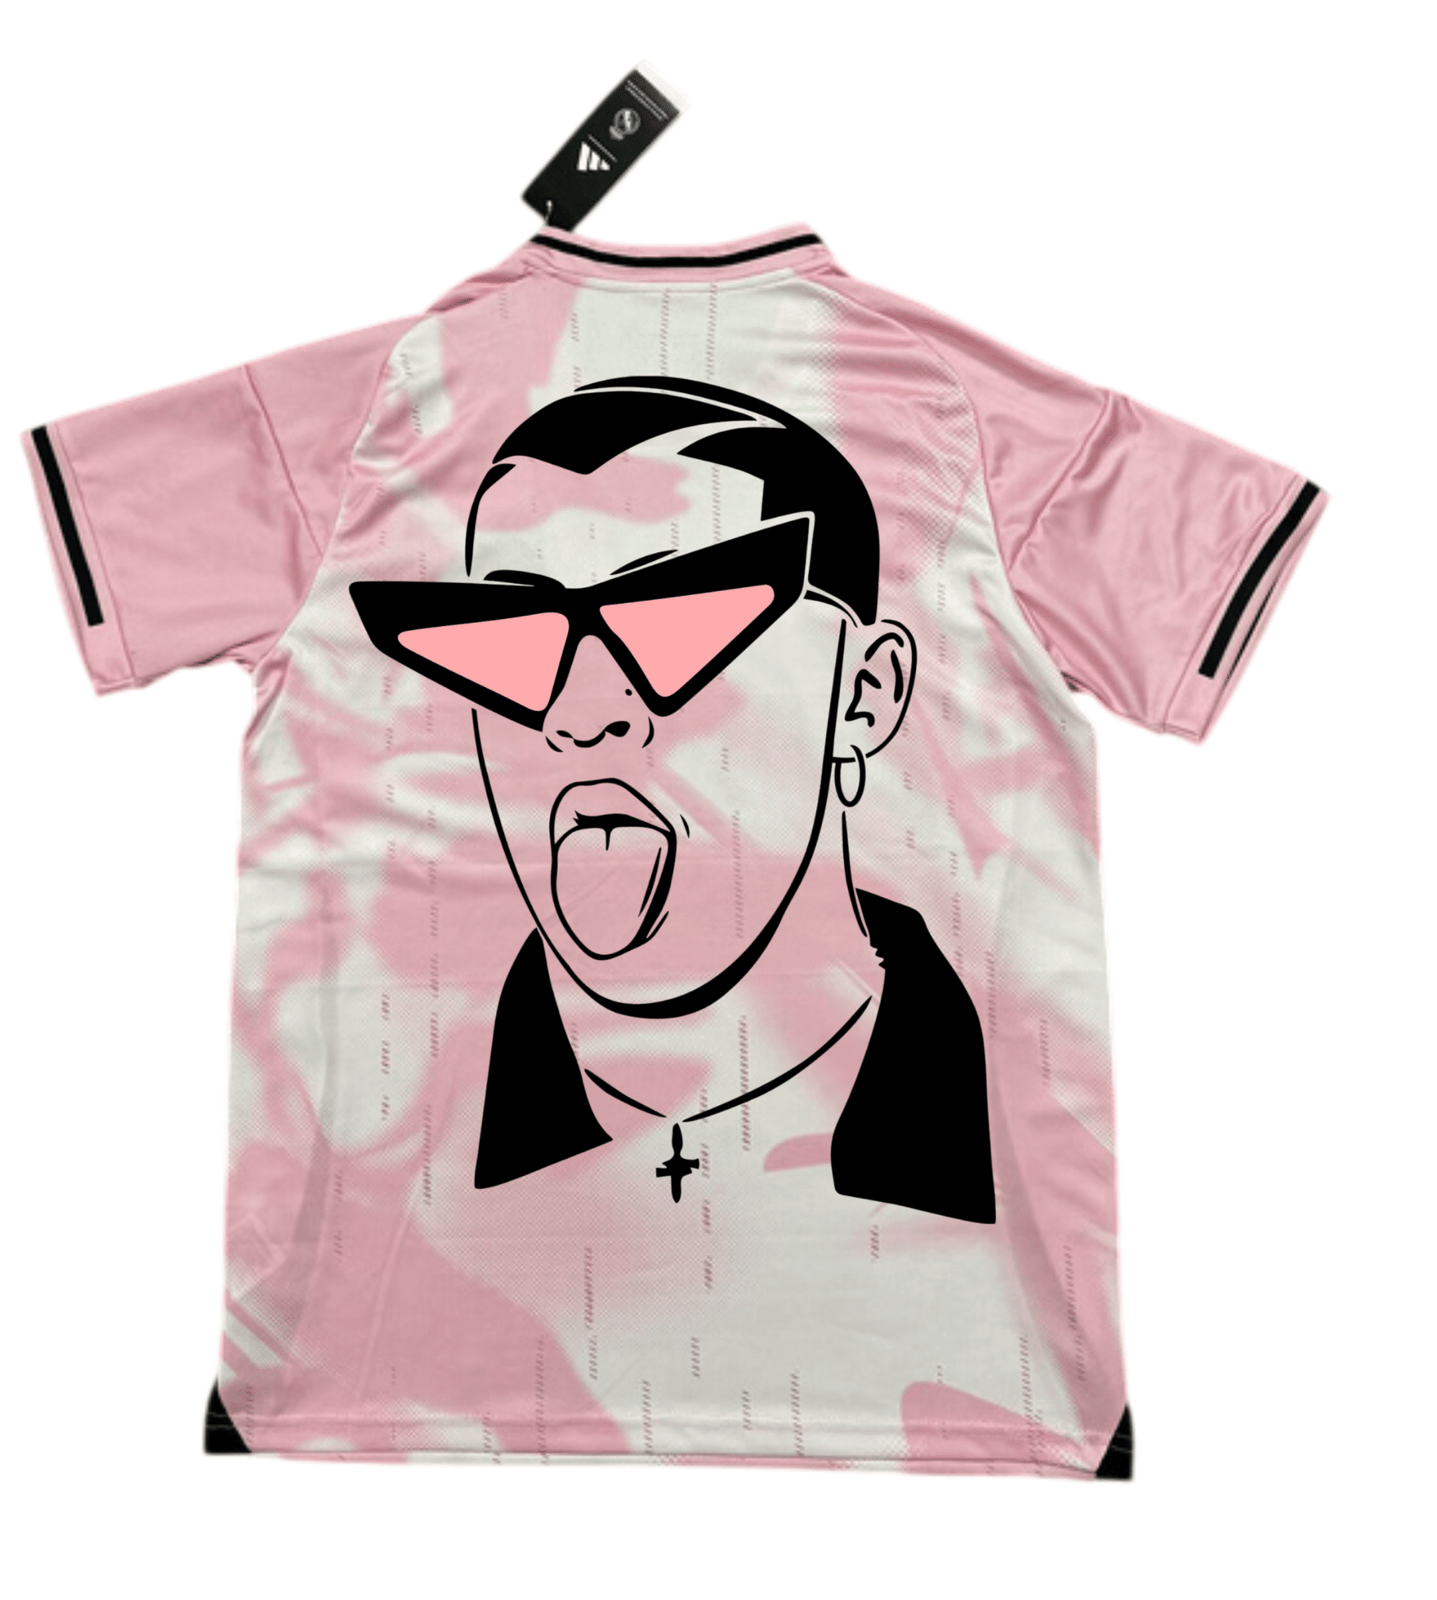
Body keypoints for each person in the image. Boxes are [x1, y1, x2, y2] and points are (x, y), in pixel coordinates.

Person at [351, 375, 995, 1222]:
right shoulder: (390, 1114)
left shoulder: (973, 424)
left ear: (862, 698)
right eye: (508, 639)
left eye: (680, 621)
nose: (582, 716)